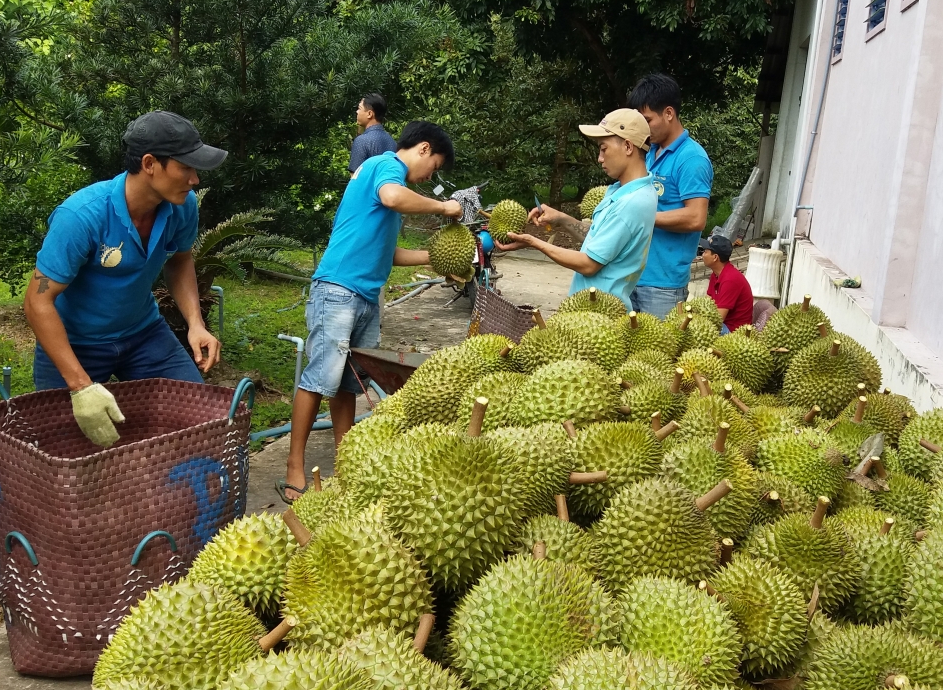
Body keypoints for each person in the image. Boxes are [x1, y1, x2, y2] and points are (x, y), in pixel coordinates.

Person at [280, 121, 461, 502]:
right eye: (436, 166)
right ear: (424, 148)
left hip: (365, 295)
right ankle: (294, 465)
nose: (432, 176)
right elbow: (394, 197)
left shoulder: (393, 188)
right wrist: (445, 207)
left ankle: (346, 463)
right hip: (338, 289)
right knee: (320, 377)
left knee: (348, 383)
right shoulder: (386, 166)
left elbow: (390, 253)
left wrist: (440, 258)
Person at [24, 110, 226, 448]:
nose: (195, 180)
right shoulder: (82, 216)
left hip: (143, 334)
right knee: (69, 454)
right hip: (76, 344)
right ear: (150, 164)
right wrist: (80, 386)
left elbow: (180, 260)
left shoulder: (182, 205)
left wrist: (195, 323)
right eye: (185, 167)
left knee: (196, 420)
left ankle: (167, 497)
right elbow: (37, 301)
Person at [496, 109, 657, 308]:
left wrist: (533, 242)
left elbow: (589, 264)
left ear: (627, 146)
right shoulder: (627, 191)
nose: (599, 158)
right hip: (591, 309)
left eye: (603, 148)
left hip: (600, 317)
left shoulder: (633, 202)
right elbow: (601, 242)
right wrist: (562, 219)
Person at [627, 74, 713, 318]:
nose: (642, 128)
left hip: (663, 286)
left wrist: (642, 216)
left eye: (647, 120)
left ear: (668, 113)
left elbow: (696, 218)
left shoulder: (691, 159)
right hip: (632, 274)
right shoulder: (650, 152)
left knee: (656, 355)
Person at [699, 234, 753, 333]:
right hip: (723, 323)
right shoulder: (716, 274)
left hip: (733, 330)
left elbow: (718, 319)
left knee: (698, 331)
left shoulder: (730, 280)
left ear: (715, 257)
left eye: (706, 251)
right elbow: (706, 303)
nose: (702, 254)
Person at [349, 93, 398, 177]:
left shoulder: (361, 141)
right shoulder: (392, 142)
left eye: (359, 108)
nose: (357, 112)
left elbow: (355, 179)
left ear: (369, 114)